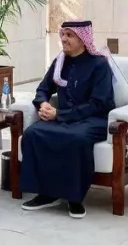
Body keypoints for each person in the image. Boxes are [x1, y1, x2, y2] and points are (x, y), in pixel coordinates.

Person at [19, 20, 116, 219]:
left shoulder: (99, 64)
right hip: (64, 118)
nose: (63, 39)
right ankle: (46, 194)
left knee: (76, 139)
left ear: (83, 39)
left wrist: (59, 115)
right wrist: (43, 104)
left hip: (93, 119)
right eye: (63, 34)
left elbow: (98, 103)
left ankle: (74, 198)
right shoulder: (60, 62)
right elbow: (43, 89)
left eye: (69, 35)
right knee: (33, 133)